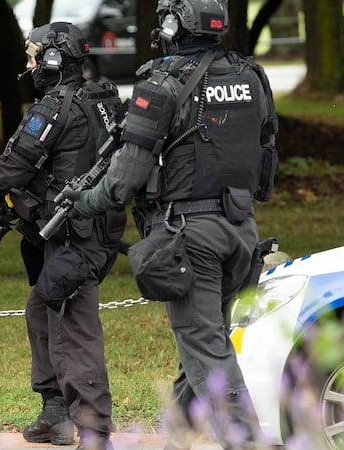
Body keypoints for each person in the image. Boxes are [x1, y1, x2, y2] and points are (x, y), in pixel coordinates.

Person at [69, 0, 279, 448]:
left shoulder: (160, 82)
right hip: (243, 231)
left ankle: (246, 442)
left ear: (172, 26)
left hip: (189, 236)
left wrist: (86, 201)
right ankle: (175, 438)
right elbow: (266, 148)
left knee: (205, 348)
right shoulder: (252, 76)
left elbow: (125, 178)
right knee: (205, 341)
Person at [0, 22, 127, 450]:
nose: (29, 65)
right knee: (41, 309)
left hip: (75, 235)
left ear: (53, 61)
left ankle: (94, 430)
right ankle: (55, 414)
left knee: (74, 326)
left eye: (34, 57)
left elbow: (8, 170)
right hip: (99, 229)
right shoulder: (104, 97)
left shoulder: (55, 106)